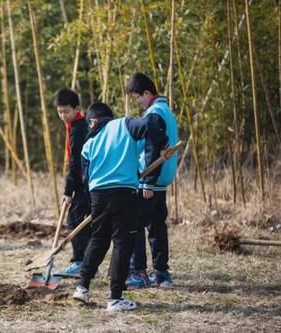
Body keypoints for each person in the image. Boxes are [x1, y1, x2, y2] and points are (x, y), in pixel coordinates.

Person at [72, 102, 168, 312]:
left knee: (98, 240)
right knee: (122, 244)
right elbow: (151, 124)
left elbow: (85, 175)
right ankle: (115, 298)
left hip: (97, 195)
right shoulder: (124, 124)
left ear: (94, 121)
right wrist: (161, 142)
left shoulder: (90, 141)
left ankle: (82, 287)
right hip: (123, 193)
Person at [125, 72, 179, 289]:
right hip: (161, 180)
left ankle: (139, 273)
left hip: (151, 180)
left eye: (137, 97)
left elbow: (152, 148)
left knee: (135, 226)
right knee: (157, 226)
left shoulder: (154, 114)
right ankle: (162, 273)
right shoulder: (166, 111)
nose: (137, 102)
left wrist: (146, 181)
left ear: (147, 93)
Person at [53, 88, 91, 278]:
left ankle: (80, 262)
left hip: (86, 182)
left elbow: (76, 163)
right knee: (82, 221)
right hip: (87, 181)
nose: (62, 116)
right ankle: (85, 262)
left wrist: (68, 191)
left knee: (75, 220)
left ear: (77, 109)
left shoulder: (79, 128)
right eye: (59, 112)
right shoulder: (75, 125)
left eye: (66, 112)